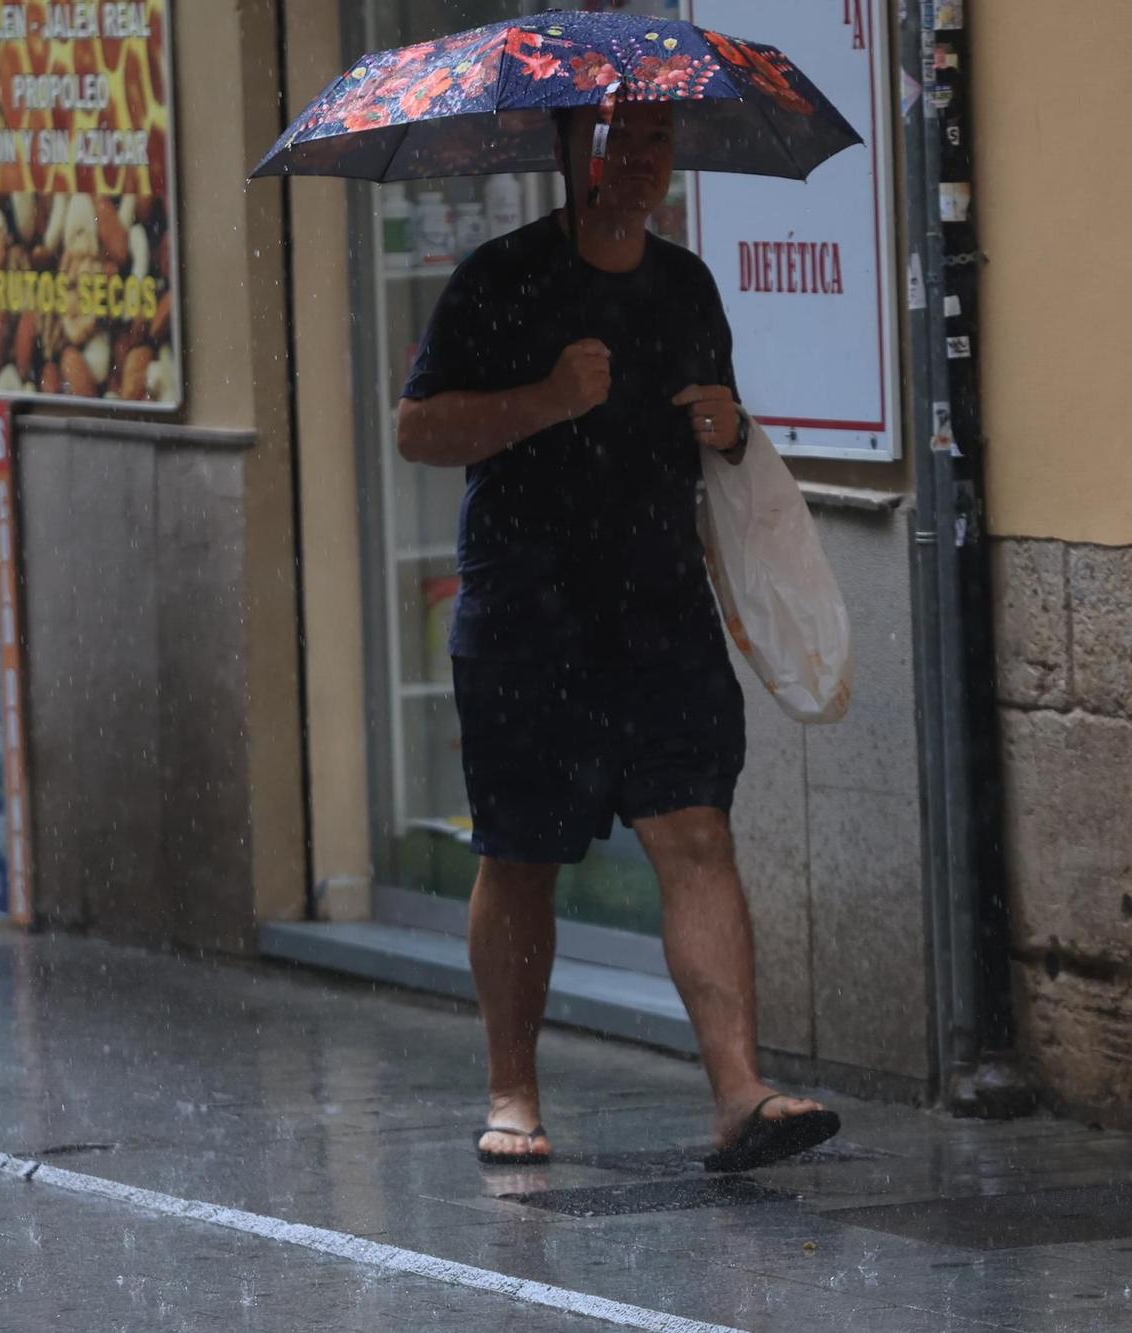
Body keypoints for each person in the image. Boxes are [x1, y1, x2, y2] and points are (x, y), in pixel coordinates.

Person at [397, 103, 840, 1172]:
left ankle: (739, 1093)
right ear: (567, 150)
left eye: (653, 142)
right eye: (612, 140)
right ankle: (511, 1093)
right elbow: (418, 429)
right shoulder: (497, 280)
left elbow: (719, 425)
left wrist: (728, 429)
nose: (635, 162)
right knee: (521, 855)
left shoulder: (684, 285)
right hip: (525, 619)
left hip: (658, 610)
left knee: (694, 835)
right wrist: (545, 398)